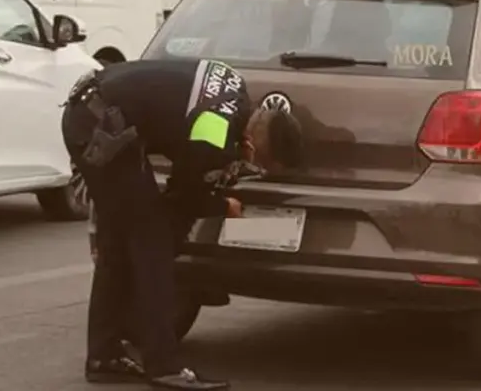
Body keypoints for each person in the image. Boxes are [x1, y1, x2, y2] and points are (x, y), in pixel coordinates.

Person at [62, 59, 302, 390]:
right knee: (153, 245)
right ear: (253, 144)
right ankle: (163, 366)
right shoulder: (215, 130)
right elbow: (185, 192)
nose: (252, 166)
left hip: (92, 111)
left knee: (118, 244)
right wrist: (222, 205)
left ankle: (103, 357)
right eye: (259, 163)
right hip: (100, 126)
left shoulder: (236, 96)